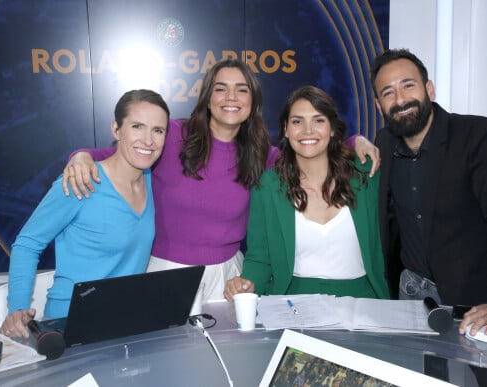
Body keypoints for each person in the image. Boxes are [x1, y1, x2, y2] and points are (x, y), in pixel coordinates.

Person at [63, 59, 381, 302]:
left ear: (252, 101)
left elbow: (311, 146)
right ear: (208, 97)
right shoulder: (172, 134)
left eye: (241, 89)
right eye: (221, 88)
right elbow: (119, 152)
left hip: (230, 274)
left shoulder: (262, 154)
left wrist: (356, 142)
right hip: (165, 273)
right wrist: (81, 155)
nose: (231, 97)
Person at [370, 48, 487, 385]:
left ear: (429, 90)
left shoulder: (479, 136)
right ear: (378, 105)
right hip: (410, 299)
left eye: (408, 86)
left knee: (478, 381)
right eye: (388, 92)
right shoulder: (383, 143)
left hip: (473, 300)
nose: (400, 99)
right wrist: (357, 140)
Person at [0, 89, 169, 338]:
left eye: (158, 130)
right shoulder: (81, 181)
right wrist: (17, 308)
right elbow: (27, 244)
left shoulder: (151, 180)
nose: (148, 140)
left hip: (125, 321)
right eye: (137, 126)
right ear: (116, 130)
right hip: (69, 323)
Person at [224, 86, 389, 300]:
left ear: (332, 129)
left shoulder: (366, 174)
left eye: (318, 120)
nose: (307, 130)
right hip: (293, 305)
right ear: (285, 129)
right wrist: (246, 283)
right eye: (297, 121)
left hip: (364, 303)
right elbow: (260, 258)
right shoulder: (268, 185)